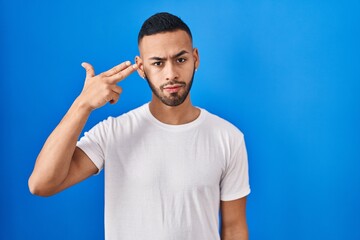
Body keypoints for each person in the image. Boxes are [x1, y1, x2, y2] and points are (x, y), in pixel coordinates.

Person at [28, 12, 250, 240]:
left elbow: (234, 229)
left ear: (196, 58)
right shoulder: (114, 132)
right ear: (141, 68)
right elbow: (41, 184)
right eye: (158, 63)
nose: (171, 74)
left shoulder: (228, 137)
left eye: (180, 59)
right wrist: (82, 105)